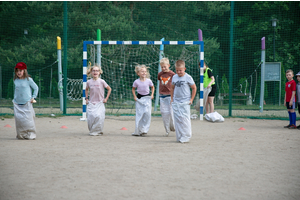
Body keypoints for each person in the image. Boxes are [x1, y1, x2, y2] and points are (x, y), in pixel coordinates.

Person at [171, 60, 197, 143]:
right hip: (176, 101)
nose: (179, 72)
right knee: (177, 119)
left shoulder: (188, 77)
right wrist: (172, 98)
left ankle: (186, 136)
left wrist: (191, 99)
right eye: (177, 70)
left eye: (180, 70)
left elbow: (194, 88)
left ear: (184, 69)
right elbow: (172, 88)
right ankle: (180, 136)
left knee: (185, 119)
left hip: (185, 101)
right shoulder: (174, 77)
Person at [13, 62, 38, 140]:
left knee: (28, 120)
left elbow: (36, 88)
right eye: (17, 71)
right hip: (17, 104)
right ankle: (21, 135)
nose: (19, 73)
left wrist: (33, 97)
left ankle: (31, 134)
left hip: (27, 102)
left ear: (24, 71)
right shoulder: (15, 80)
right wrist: (15, 99)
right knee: (19, 120)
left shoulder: (28, 80)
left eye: (20, 71)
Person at [85, 65, 111, 136]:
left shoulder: (102, 81)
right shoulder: (89, 82)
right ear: (91, 72)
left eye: (97, 71)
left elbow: (109, 89)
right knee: (91, 117)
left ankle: (98, 131)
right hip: (91, 102)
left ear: (99, 72)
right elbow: (86, 89)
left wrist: (106, 98)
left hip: (100, 102)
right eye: (93, 71)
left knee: (99, 116)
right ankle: (92, 130)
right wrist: (86, 98)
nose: (95, 72)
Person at [132, 65, 155, 136]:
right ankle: (138, 130)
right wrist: (135, 96)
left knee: (147, 114)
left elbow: (152, 87)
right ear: (138, 73)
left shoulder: (149, 81)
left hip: (147, 98)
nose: (144, 73)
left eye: (145, 71)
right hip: (139, 99)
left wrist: (152, 95)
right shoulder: (136, 82)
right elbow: (133, 89)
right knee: (139, 115)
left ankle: (144, 130)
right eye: (142, 71)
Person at [157, 58, 176, 136]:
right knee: (164, 113)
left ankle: (174, 126)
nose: (163, 68)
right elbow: (160, 81)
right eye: (162, 67)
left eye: (165, 66)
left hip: (170, 96)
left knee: (171, 113)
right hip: (162, 96)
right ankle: (167, 130)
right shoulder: (160, 74)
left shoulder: (172, 74)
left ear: (168, 65)